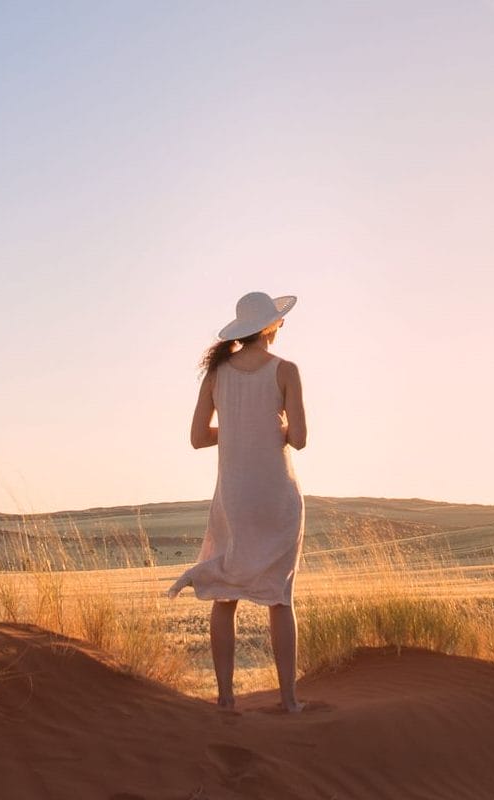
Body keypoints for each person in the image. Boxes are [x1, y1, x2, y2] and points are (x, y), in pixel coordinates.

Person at [167, 290, 308, 713]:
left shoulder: (217, 374)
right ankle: (289, 702)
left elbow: (196, 438)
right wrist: (273, 429)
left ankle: (226, 699)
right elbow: (299, 439)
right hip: (276, 498)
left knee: (225, 595)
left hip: (233, 499)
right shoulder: (287, 371)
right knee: (280, 598)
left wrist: (235, 428)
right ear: (270, 327)